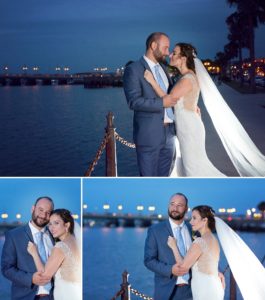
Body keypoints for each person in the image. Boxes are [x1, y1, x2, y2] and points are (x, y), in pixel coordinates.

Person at [144, 42, 265, 177]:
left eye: (175, 52)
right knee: (193, 167)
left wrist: (152, 81)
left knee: (192, 169)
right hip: (188, 126)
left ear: (183, 59)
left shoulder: (187, 79)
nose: (171, 55)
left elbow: (169, 100)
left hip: (189, 129)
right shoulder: (187, 77)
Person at [123, 32, 178, 177]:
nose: (168, 52)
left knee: (164, 178)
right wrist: (162, 103)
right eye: (165, 48)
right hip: (149, 136)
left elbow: (172, 95)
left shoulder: (164, 69)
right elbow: (133, 101)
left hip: (170, 134)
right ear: (153, 46)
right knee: (148, 179)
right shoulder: (134, 69)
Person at [1, 197, 55, 300]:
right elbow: (6, 268)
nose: (43, 215)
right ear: (33, 209)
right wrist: (31, 279)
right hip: (25, 296)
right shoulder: (14, 235)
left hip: (52, 296)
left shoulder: (54, 235)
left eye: (48, 213)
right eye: (41, 210)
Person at [167, 205, 225, 300]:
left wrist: (174, 247)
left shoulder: (199, 242)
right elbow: (208, 262)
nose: (190, 222)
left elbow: (183, 268)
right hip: (215, 287)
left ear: (204, 220)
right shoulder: (214, 240)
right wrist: (218, 272)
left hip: (205, 291)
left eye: (194, 218)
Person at [144, 193, 193, 300]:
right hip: (167, 291)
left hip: (192, 290)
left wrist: (217, 271)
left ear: (186, 208)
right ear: (168, 206)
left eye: (179, 205)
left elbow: (204, 254)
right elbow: (149, 261)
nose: (175, 208)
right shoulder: (155, 230)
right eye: (172, 204)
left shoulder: (193, 229)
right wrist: (170, 270)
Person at [27, 209, 81, 300]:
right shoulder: (76, 242)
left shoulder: (61, 247)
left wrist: (34, 253)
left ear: (67, 225)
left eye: (56, 223)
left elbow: (44, 278)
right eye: (50, 224)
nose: (51, 228)